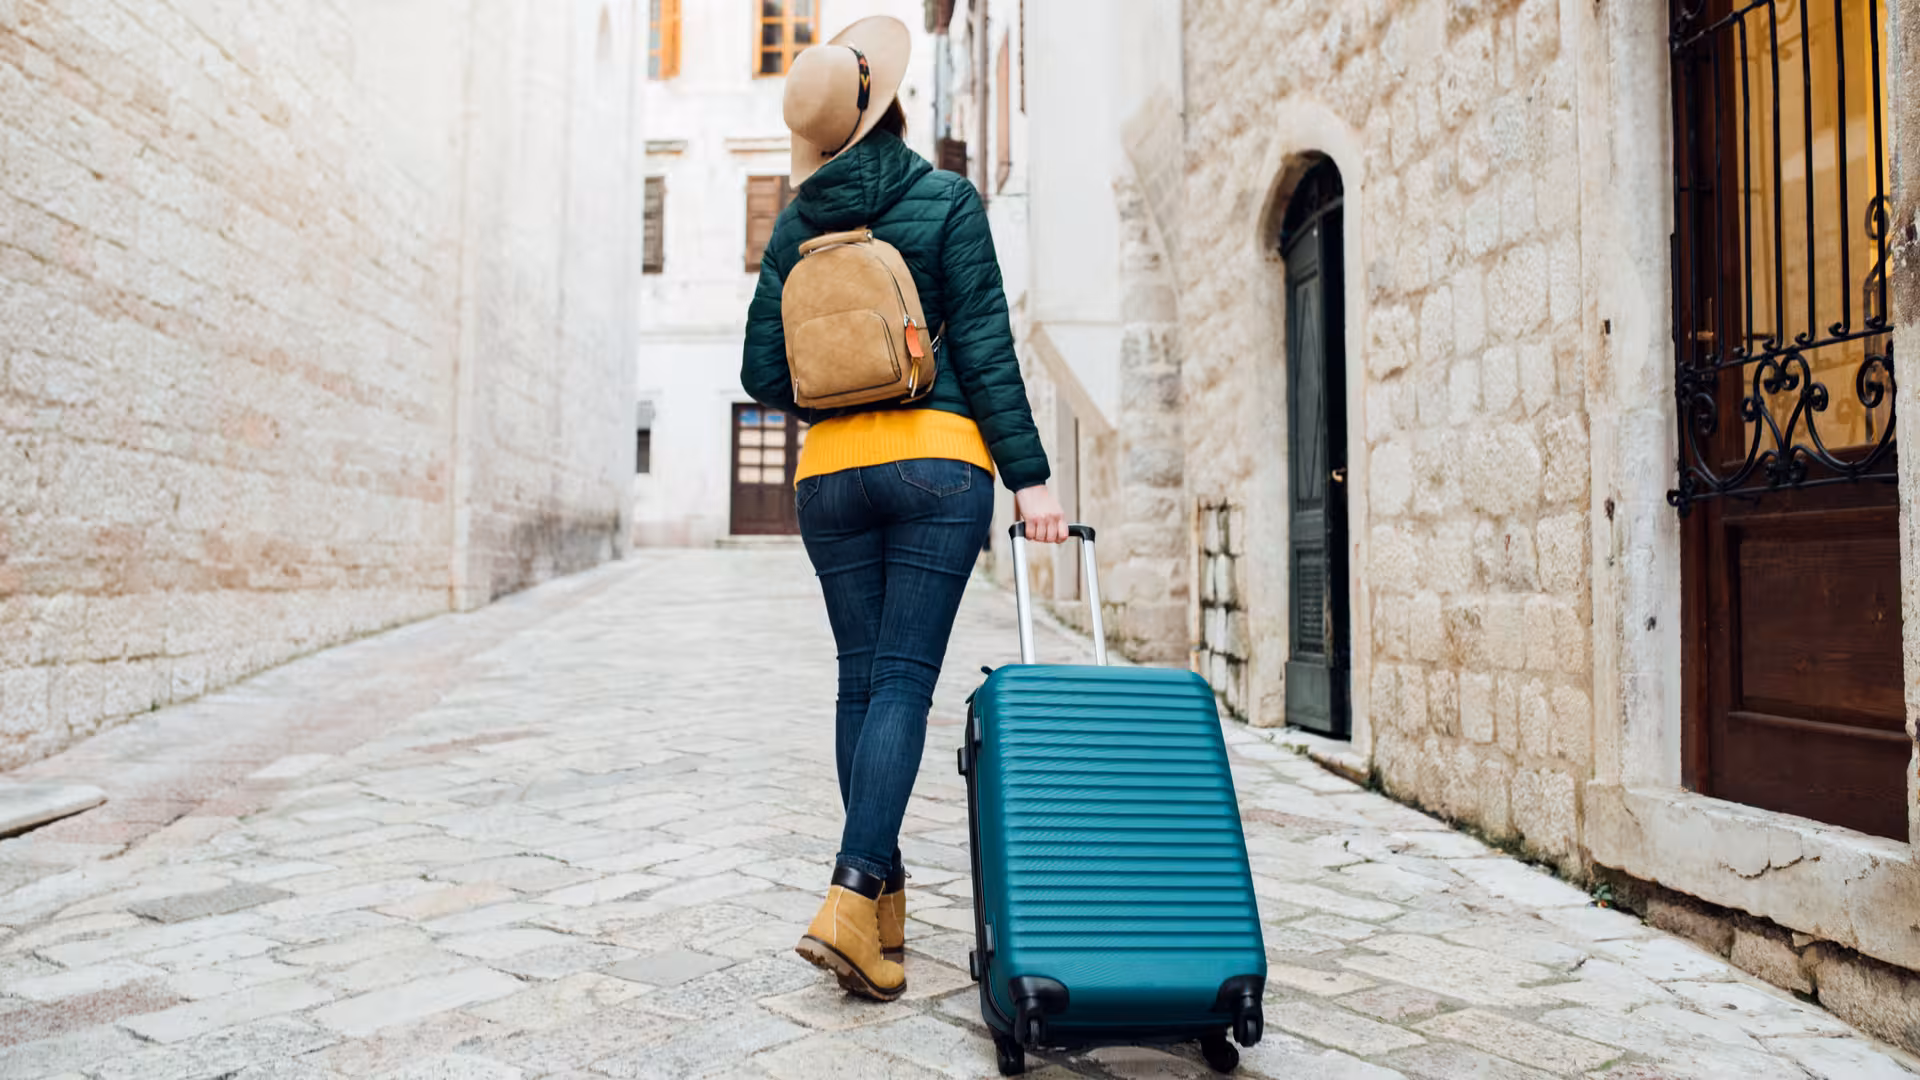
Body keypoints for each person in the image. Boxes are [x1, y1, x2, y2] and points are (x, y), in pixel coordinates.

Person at [741, 15, 1067, 1002]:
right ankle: (850, 892)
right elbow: (984, 348)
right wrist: (1032, 478)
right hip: (936, 464)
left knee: (859, 682)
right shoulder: (946, 200)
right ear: (889, 108)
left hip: (830, 477)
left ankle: (879, 911)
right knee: (902, 687)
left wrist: (842, 381)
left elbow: (762, 372)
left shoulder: (796, 227)